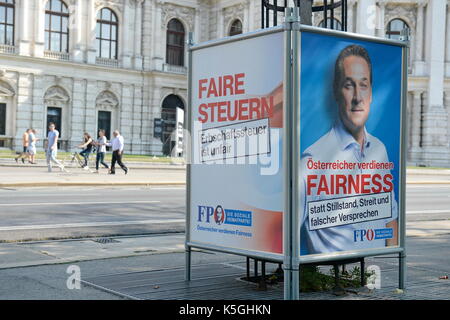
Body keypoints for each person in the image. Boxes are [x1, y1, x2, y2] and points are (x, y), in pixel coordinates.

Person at [300, 44, 398, 255]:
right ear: (336, 91)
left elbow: (390, 218)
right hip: (331, 278)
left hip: (373, 274)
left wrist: (389, 267)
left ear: (371, 93)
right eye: (348, 85)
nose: (357, 97)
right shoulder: (313, 158)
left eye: (363, 85)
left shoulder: (379, 149)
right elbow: (286, 230)